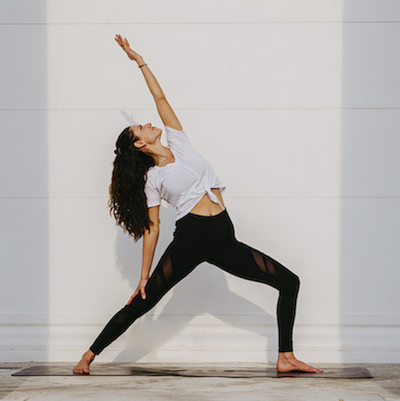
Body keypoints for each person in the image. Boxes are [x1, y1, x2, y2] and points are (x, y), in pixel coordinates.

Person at [73, 34, 323, 375]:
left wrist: (139, 61)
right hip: (191, 238)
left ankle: (285, 356)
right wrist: (144, 275)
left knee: (289, 281)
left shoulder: (178, 139)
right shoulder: (152, 180)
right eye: (140, 127)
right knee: (144, 301)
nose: (148, 123)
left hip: (223, 236)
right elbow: (152, 226)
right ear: (139, 144)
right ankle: (88, 355)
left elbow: (160, 96)